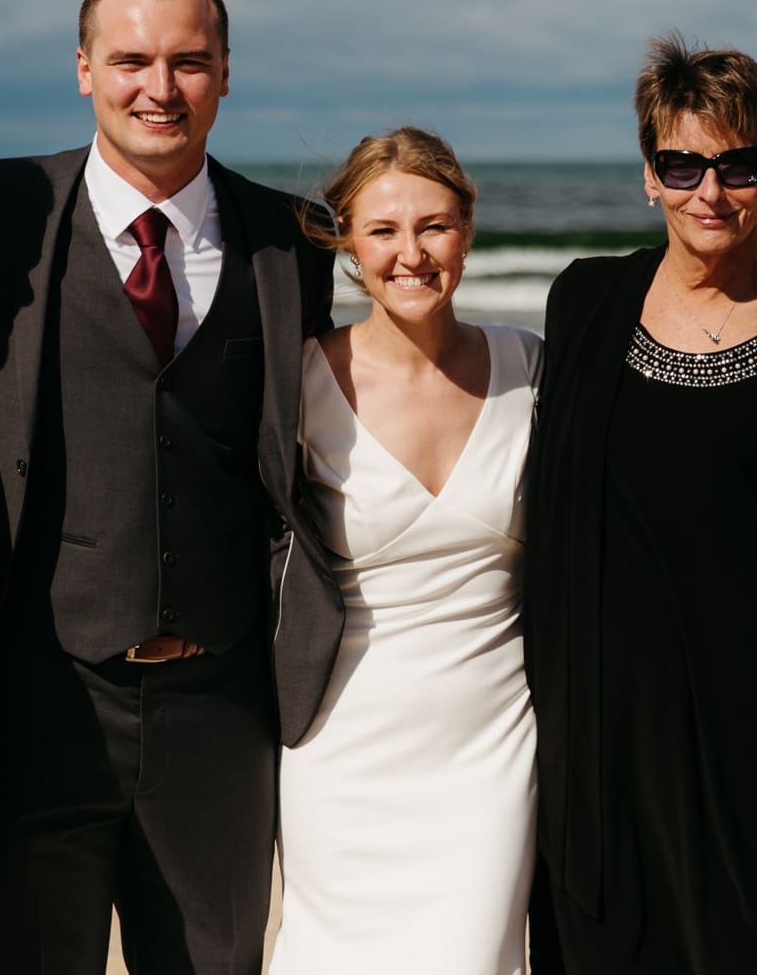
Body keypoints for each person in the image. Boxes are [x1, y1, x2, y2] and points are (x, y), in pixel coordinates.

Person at [0, 0, 339, 975]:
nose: (159, 87)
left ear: (225, 73)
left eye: (188, 62)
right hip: (41, 701)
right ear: (82, 69)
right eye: (131, 60)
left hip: (221, 707)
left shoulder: (292, 243)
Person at [523, 35, 757, 974]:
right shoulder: (586, 300)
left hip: (749, 757)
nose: (709, 191)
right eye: (681, 163)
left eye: (737, 164)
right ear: (649, 175)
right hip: (596, 748)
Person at [269, 128, 544, 975]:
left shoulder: (531, 368)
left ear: (467, 228)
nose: (411, 253)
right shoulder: (303, 382)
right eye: (383, 229)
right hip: (343, 746)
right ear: (348, 239)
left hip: (490, 747)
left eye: (434, 225)